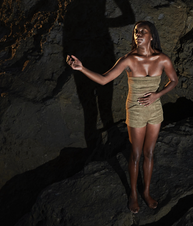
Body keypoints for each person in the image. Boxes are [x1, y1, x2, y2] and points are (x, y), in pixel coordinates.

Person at [66, 21, 178, 214]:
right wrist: (81, 68)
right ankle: (133, 194)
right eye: (136, 31)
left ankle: (146, 192)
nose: (138, 34)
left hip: (155, 109)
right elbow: (103, 79)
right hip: (135, 109)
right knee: (135, 154)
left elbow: (174, 80)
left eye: (143, 31)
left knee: (149, 152)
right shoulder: (128, 60)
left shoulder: (162, 59)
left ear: (152, 36)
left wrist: (157, 95)